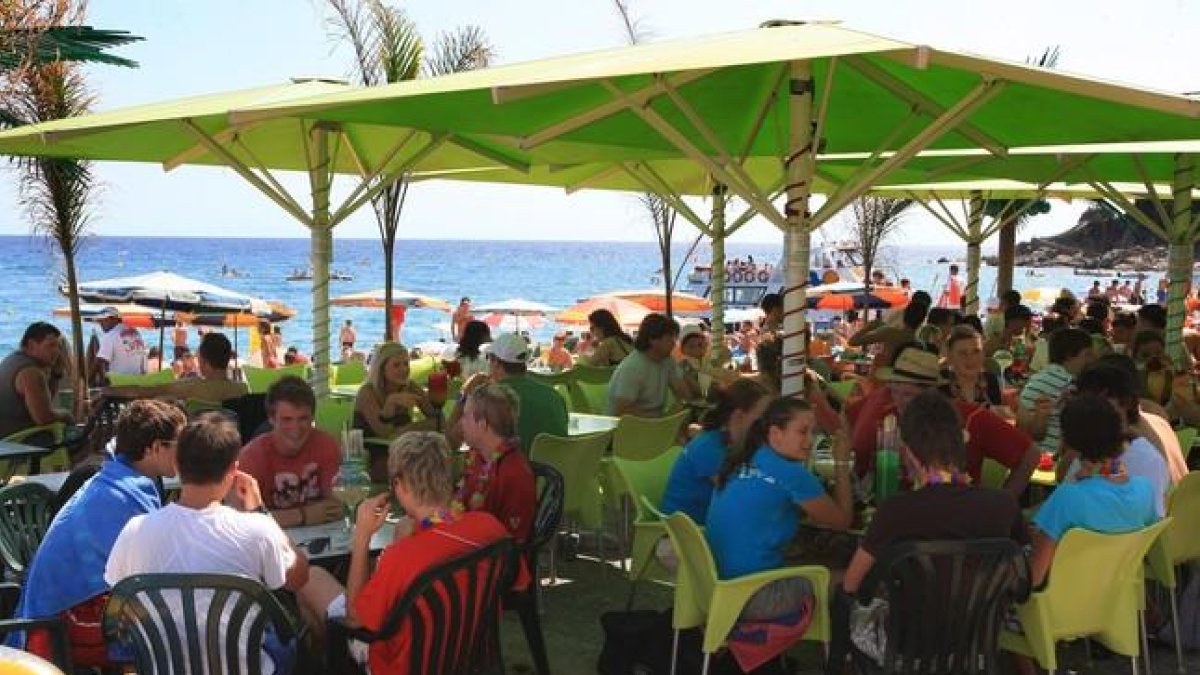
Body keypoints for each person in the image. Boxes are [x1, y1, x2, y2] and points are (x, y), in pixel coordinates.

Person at [104, 412, 326, 670]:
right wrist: (261, 511)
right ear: (233, 470)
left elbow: (119, 601)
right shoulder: (257, 528)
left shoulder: (135, 530)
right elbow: (299, 577)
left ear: (177, 465)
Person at [831, 391, 1029, 672]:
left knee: (845, 602)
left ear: (909, 452)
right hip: (977, 643)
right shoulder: (1003, 506)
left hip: (905, 649)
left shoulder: (895, 510)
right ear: (962, 442)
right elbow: (1022, 577)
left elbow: (853, 584)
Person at [316, 432, 513, 674]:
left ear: (401, 485)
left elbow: (355, 618)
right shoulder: (491, 527)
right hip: (468, 655)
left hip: (401, 664)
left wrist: (362, 538)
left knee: (313, 580)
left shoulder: (401, 557)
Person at [14, 400, 185, 666]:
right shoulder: (128, 495)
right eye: (179, 445)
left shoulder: (115, 479)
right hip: (60, 625)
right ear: (154, 448)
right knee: (174, 630)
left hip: (49, 612)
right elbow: (158, 571)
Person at [705, 397, 853, 620]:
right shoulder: (791, 474)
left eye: (813, 432)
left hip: (715, 586)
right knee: (854, 577)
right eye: (802, 432)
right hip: (753, 597)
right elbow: (842, 521)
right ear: (775, 434)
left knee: (815, 555)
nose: (810, 440)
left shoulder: (743, 458)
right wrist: (841, 463)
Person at [849, 343, 1038, 496]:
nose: (898, 401)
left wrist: (1004, 504)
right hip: (897, 516)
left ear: (931, 393)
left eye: (908, 395)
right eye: (894, 391)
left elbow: (1030, 455)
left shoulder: (972, 417)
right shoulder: (887, 416)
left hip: (958, 521)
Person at [1027, 393, 1159, 594]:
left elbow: (1033, 579)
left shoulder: (1067, 498)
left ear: (1069, 441)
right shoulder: (1145, 490)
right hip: (1118, 611)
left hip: (1059, 615)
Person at [1057, 365, 1171, 516]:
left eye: (1101, 401)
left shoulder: (1145, 458)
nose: (1092, 410)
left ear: (1126, 403)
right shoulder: (1090, 451)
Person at [661, 378, 772, 524]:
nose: (769, 424)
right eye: (763, 417)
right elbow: (742, 494)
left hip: (709, 523)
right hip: (687, 534)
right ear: (738, 416)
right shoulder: (709, 448)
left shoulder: (733, 442)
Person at [239, 376, 343, 527]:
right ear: (271, 419)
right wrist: (303, 515)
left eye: (303, 419)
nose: (296, 428)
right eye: (287, 420)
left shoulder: (326, 445)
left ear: (312, 417)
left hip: (321, 538)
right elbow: (243, 519)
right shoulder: (251, 457)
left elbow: (337, 506)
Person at [448, 333, 567, 452]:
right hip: (556, 469)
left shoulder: (489, 400)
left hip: (508, 469)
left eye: (488, 358)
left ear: (495, 362)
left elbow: (450, 443)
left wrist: (464, 395)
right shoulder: (554, 396)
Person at [455, 384, 536, 545]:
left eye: (465, 416)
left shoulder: (514, 474)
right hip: (465, 541)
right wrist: (425, 523)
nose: (460, 422)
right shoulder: (477, 457)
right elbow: (456, 508)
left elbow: (511, 545)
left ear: (482, 425)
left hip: (484, 561)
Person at [105, 332, 248, 403]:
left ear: (204, 362)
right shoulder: (242, 389)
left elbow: (143, 391)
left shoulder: (192, 386)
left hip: (195, 447)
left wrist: (106, 391)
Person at [1018, 327, 1096, 457]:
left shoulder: (1038, 378)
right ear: (1069, 355)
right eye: (1087, 354)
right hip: (1052, 458)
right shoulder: (1068, 384)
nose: (1092, 359)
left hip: (1031, 456)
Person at [608, 313, 696, 417]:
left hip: (656, 423)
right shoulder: (633, 367)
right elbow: (622, 410)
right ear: (653, 340)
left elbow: (684, 395)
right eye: (669, 338)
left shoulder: (667, 361)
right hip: (629, 427)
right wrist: (659, 420)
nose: (674, 343)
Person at [0, 322, 72, 441]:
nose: (57, 351)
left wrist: (55, 374)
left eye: (59, 346)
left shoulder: (12, 359)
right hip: (15, 441)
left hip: (10, 436)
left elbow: (45, 402)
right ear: (31, 345)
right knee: (86, 440)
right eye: (51, 345)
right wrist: (66, 414)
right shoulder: (31, 372)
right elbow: (44, 417)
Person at [354, 342, 438, 441]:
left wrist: (408, 429)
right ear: (381, 369)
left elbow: (440, 421)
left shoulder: (410, 387)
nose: (404, 369)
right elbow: (384, 433)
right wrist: (391, 402)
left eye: (406, 364)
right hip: (371, 451)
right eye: (396, 365)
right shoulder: (367, 392)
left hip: (404, 448)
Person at [939, 324, 1003, 409]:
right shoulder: (940, 383)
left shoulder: (991, 381)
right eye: (963, 353)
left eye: (976, 351)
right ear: (950, 357)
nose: (970, 358)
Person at [94, 306, 147, 379]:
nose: (101, 324)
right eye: (99, 321)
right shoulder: (136, 332)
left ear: (115, 319)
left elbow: (102, 362)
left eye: (104, 320)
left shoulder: (110, 335)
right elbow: (143, 362)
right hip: (138, 381)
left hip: (119, 382)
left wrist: (105, 382)